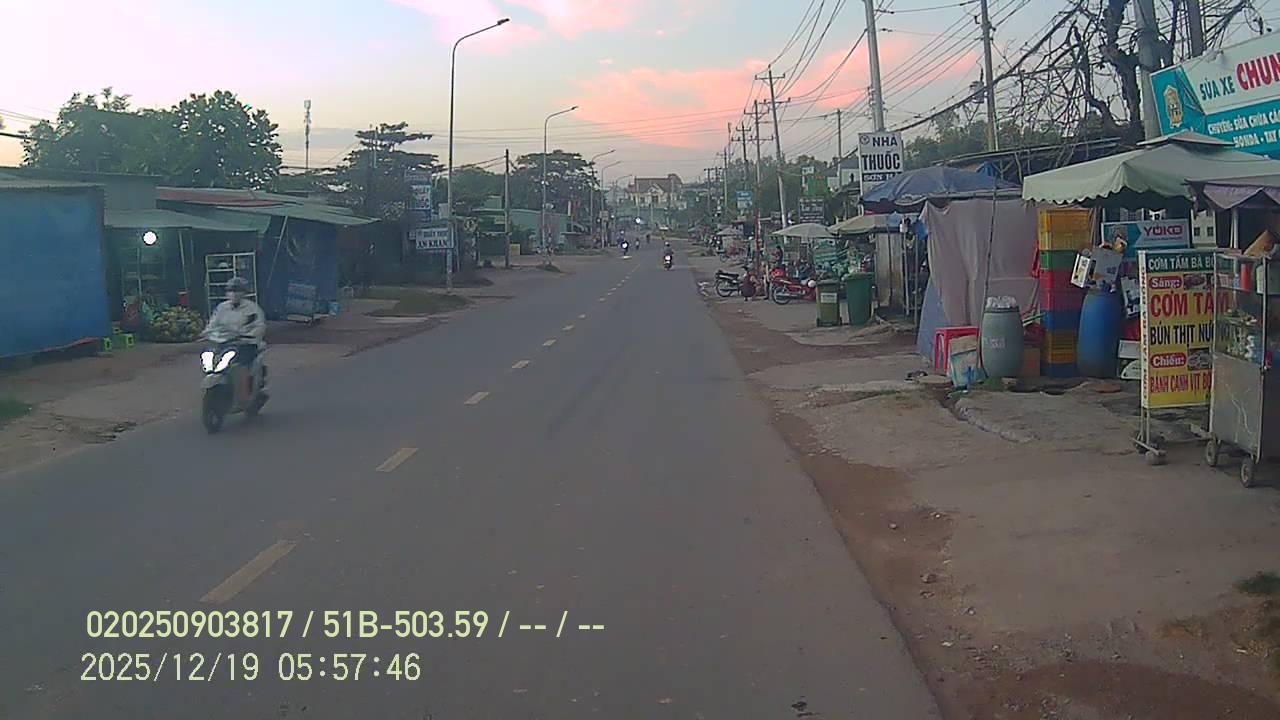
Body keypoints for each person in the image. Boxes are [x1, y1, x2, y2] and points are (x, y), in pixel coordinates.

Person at [205, 277, 268, 395]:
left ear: (243, 292)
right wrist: (208, 333)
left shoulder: (252, 309)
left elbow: (259, 326)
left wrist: (249, 335)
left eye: (237, 290)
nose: (233, 293)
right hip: (224, 343)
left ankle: (245, 394)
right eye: (230, 290)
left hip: (246, 344)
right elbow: (212, 325)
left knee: (242, 366)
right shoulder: (222, 308)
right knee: (210, 357)